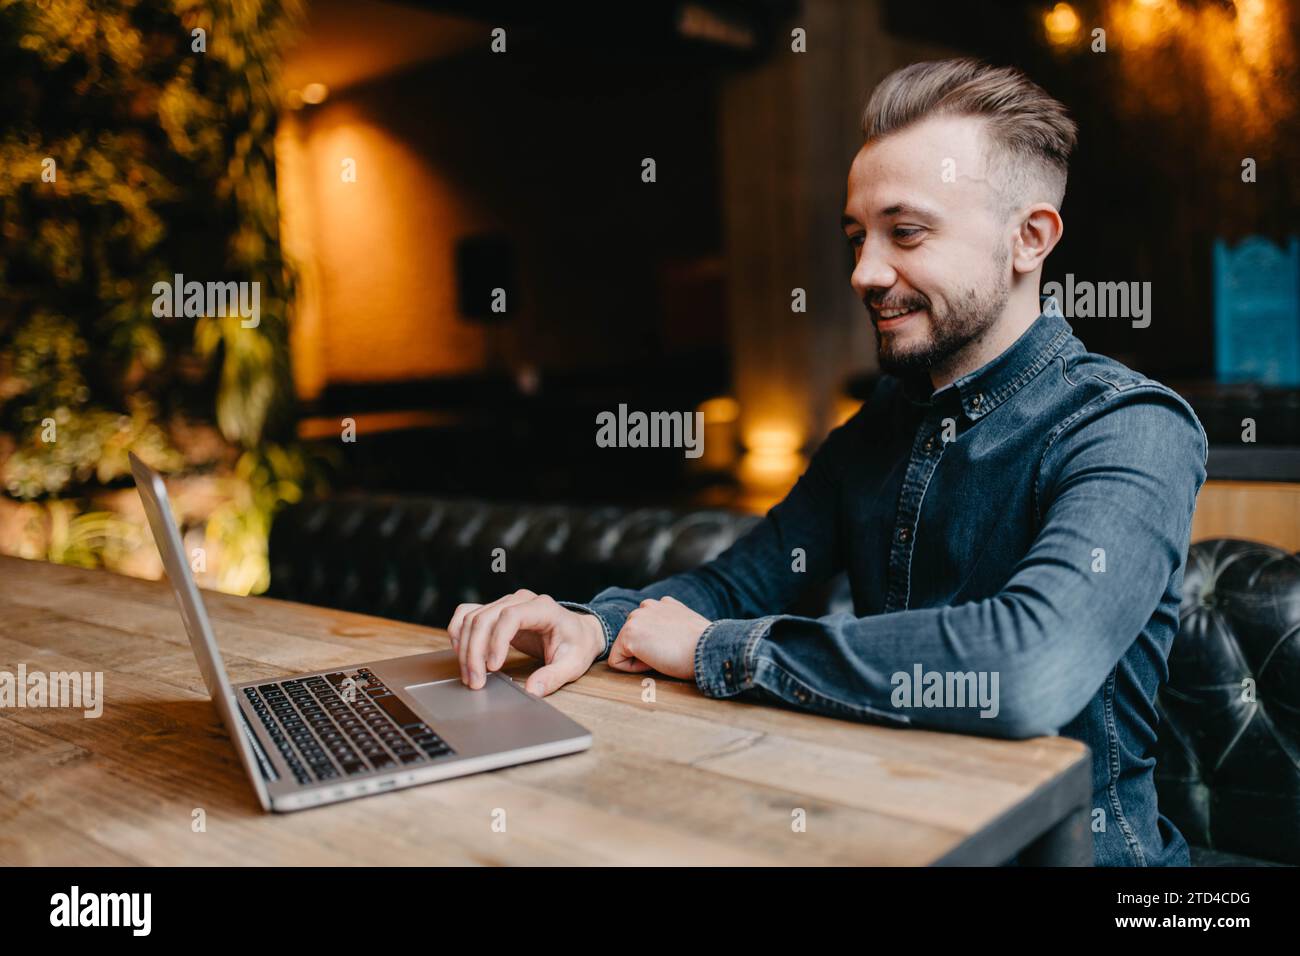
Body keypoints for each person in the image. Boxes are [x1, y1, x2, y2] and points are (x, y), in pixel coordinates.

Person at [448, 58, 1206, 866]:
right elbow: (737, 584)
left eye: (905, 233)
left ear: (1030, 237)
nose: (864, 273)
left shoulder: (1130, 428)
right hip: (895, 835)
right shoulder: (880, 426)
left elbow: (1027, 669)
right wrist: (588, 622)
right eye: (857, 237)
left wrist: (719, 652)